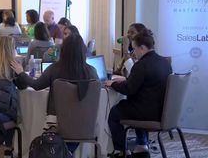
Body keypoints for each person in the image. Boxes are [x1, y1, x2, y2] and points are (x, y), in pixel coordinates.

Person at [11, 34, 97, 153]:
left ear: (63, 50)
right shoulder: (91, 71)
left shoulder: (55, 69)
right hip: (85, 124)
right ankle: (68, 152)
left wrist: (21, 73)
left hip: (57, 124)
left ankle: (63, 152)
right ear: (83, 50)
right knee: (73, 134)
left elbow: (36, 85)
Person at [105, 29, 172, 158]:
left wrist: (113, 84)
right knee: (131, 104)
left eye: (134, 49)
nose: (134, 53)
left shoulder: (141, 65)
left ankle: (121, 151)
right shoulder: (164, 62)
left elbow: (129, 89)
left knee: (114, 112)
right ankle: (142, 145)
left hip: (148, 112)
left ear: (142, 48)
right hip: (163, 111)